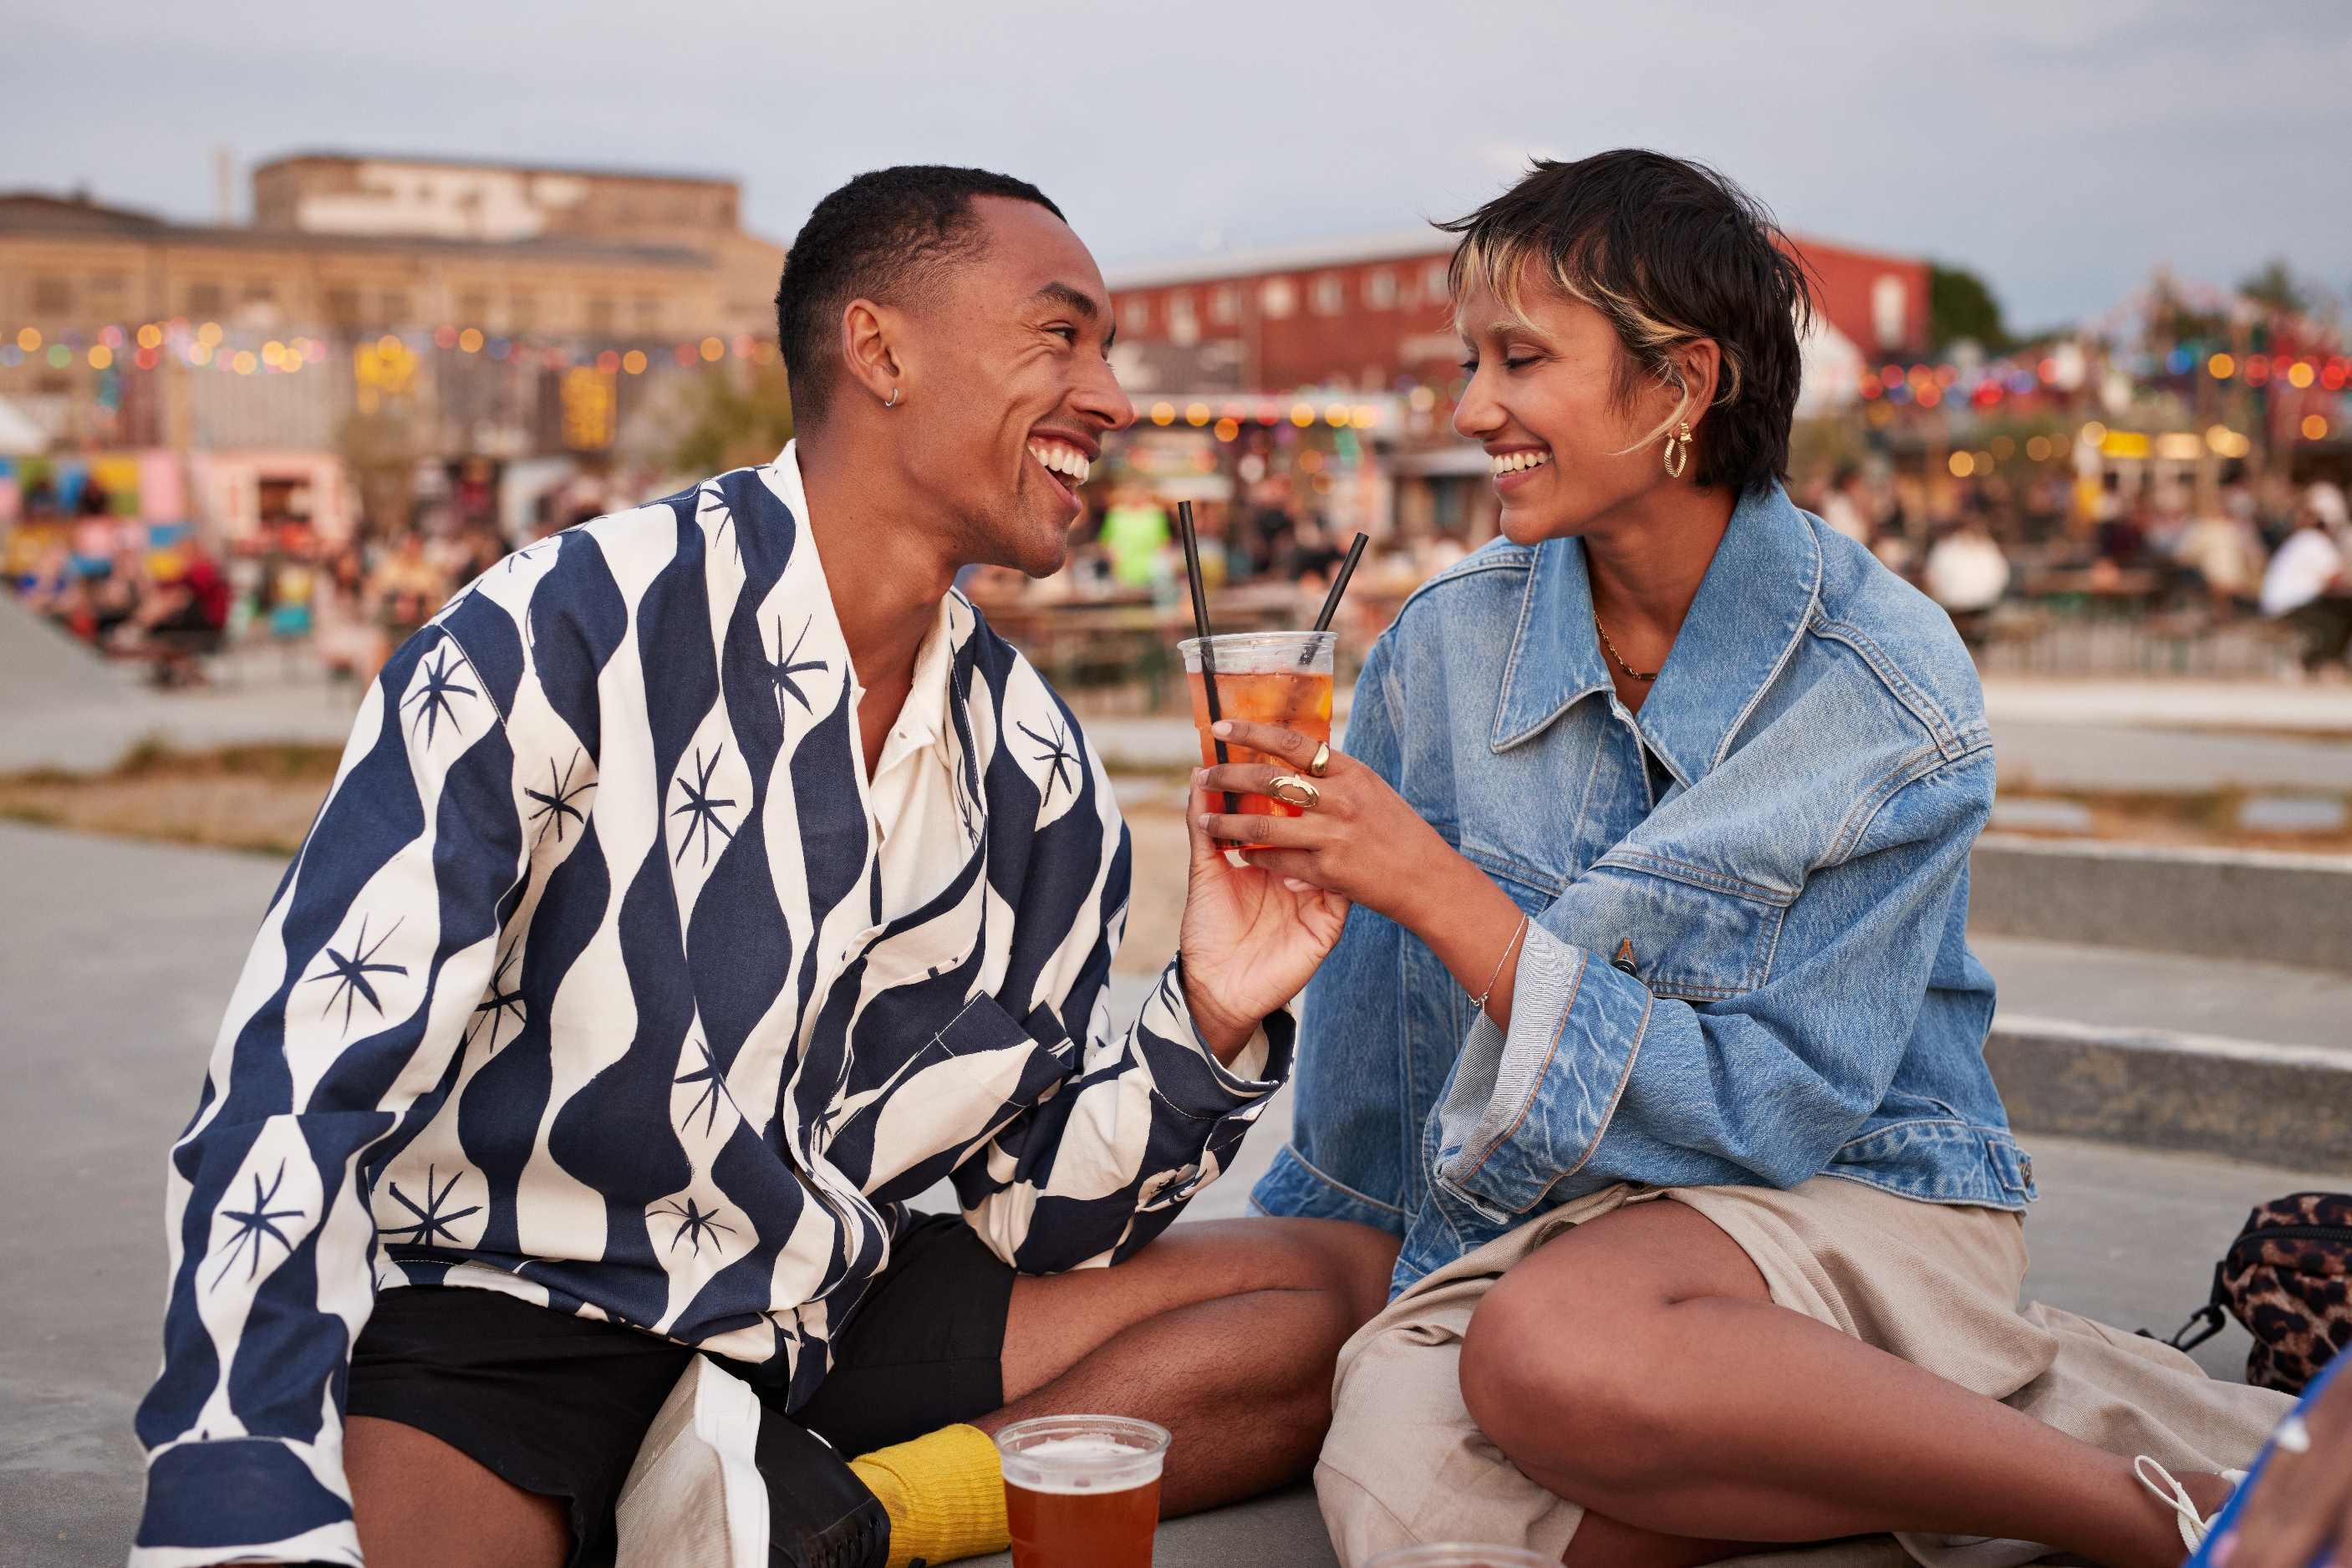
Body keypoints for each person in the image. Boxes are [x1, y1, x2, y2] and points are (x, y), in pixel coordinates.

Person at [130, 165, 1393, 1568]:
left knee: (1346, 1292)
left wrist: (1211, 1007)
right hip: (504, 1320)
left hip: (817, 1322)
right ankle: (710, 1503)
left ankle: (835, 1522)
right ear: (879, 350)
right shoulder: (562, 631)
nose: (1110, 393)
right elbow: (297, 1081)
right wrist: (242, 1476)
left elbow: (1035, 1208)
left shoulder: (1039, 772)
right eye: (1061, 335)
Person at [1204, 150, 2291, 1568]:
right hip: (1557, 1215)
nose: (1470, 410)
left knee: (1547, 1358)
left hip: (1847, 1183)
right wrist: (1342, 1263)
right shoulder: (1442, 645)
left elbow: (1771, 1109)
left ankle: (2168, 1520)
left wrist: (1432, 887)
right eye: (1470, 362)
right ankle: (1974, 1425)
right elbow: (1379, 1060)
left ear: (1676, 384)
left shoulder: (1879, 686)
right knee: (1402, 1487)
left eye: (1517, 360)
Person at [2258, 495, 2350, 675]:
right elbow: (2336, 580)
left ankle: (2325, 662)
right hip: (2291, 607)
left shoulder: (2299, 540)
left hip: (2279, 606)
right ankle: (2309, 663)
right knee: (2339, 619)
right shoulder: (2314, 541)